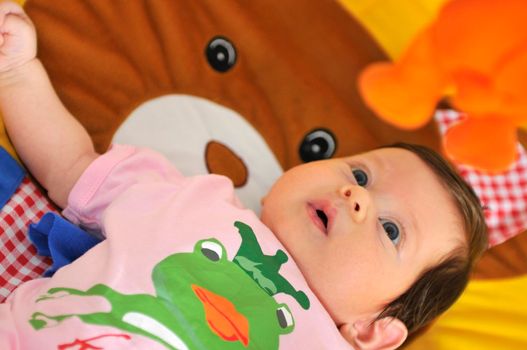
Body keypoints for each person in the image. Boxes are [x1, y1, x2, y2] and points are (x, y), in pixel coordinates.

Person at [0, 2, 487, 349]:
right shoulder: (191, 199)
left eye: (391, 229)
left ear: (373, 329)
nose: (356, 197)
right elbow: (72, 166)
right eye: (360, 173)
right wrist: (18, 71)